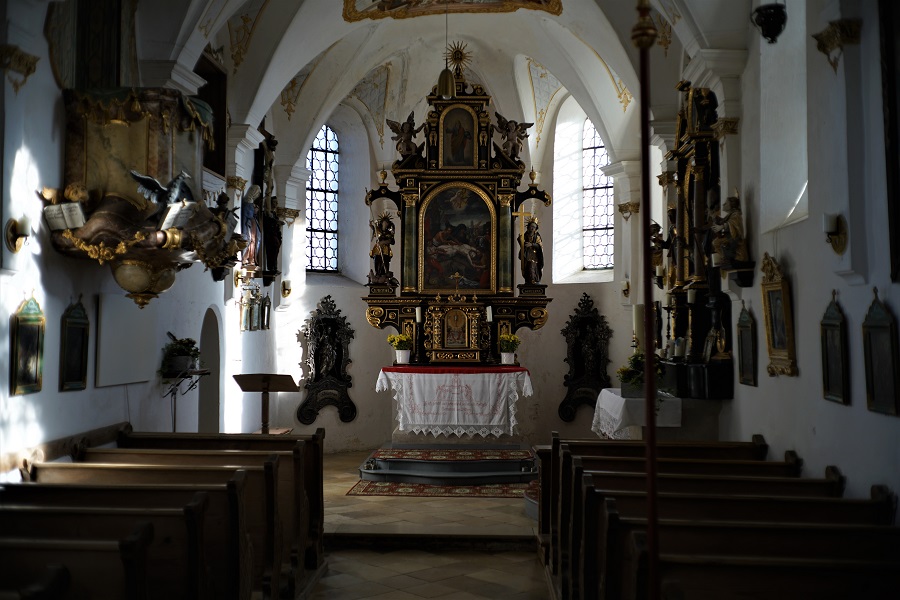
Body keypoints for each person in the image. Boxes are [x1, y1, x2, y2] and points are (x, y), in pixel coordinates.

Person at [711, 194, 749, 264]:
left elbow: (734, 223)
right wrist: (716, 222)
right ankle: (726, 257)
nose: (723, 204)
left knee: (716, 243)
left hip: (735, 238)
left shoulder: (736, 214)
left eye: (726, 203)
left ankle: (734, 257)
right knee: (715, 243)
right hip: (729, 237)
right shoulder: (729, 215)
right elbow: (724, 221)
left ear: (732, 205)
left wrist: (722, 226)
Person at [369, 212, 396, 282]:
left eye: (386, 223)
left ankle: (383, 274)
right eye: (384, 223)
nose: (385, 224)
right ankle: (377, 273)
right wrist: (371, 225)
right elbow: (374, 230)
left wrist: (384, 242)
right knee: (377, 260)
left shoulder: (389, 232)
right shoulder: (378, 230)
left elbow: (392, 241)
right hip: (378, 248)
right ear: (381, 223)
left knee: (385, 260)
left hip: (386, 249)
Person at [518, 217, 544, 284]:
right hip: (527, 254)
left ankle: (534, 280)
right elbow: (522, 245)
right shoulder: (525, 236)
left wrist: (532, 244)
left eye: (534, 227)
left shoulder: (537, 236)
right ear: (528, 227)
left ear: (535, 229)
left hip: (535, 255)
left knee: (533, 265)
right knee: (527, 266)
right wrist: (520, 240)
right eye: (531, 226)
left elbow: (539, 246)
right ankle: (529, 280)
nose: (532, 228)